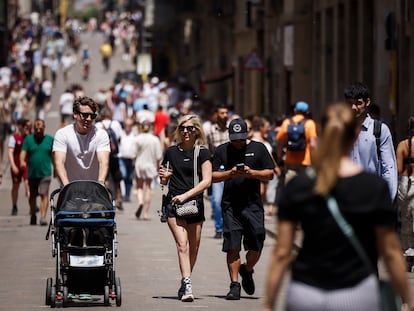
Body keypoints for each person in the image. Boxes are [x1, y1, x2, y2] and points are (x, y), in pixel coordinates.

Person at [263, 102, 412, 311]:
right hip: (357, 292)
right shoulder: (373, 188)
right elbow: (390, 252)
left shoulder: (300, 186)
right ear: (355, 135)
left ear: (322, 134)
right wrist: (407, 300)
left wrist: (268, 304)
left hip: (306, 292)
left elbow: (282, 253)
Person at [211, 118, 274, 300]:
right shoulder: (222, 150)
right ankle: (234, 285)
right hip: (230, 205)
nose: (238, 142)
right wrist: (229, 173)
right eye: (234, 139)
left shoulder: (259, 148)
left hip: (253, 205)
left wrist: (252, 173)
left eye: (241, 138)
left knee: (257, 242)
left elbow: (270, 173)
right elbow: (212, 176)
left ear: (247, 135)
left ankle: (247, 269)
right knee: (232, 245)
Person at [158, 114, 212, 302]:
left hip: (194, 204)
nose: (186, 131)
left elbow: (207, 181)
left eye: (190, 128)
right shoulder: (171, 152)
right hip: (173, 203)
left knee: (194, 247)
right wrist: (164, 178)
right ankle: (188, 284)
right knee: (182, 245)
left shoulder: (202, 152)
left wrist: (186, 195)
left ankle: (184, 278)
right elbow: (163, 179)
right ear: (178, 131)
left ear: (197, 130)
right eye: (183, 128)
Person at [344, 82, 398, 200]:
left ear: (367, 102)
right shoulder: (340, 130)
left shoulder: (380, 130)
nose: (353, 108)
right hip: (345, 197)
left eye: (358, 103)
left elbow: (389, 168)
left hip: (372, 197)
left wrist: (388, 200)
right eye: (350, 104)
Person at [53, 96, 110, 186]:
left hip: (94, 188)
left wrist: (101, 183)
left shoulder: (101, 134)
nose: (89, 119)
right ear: (75, 114)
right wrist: (66, 185)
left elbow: (104, 162)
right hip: (71, 187)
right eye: (85, 115)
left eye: (92, 116)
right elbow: (59, 162)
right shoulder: (62, 134)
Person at [20, 119, 54, 226]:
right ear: (33, 129)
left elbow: (54, 156)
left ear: (44, 128)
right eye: (36, 128)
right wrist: (21, 161)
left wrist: (57, 169)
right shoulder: (29, 140)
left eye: (40, 128)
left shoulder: (50, 140)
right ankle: (33, 214)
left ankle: (43, 217)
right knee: (33, 196)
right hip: (32, 173)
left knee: (44, 194)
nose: (38, 130)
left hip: (45, 173)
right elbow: (23, 153)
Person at [276, 101, 318, 184]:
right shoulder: (310, 123)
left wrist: (279, 157)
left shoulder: (287, 122)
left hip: (290, 162)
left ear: (295, 110)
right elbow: (313, 144)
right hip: (306, 162)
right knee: (306, 188)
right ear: (307, 112)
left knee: (289, 188)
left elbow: (280, 142)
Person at [205, 103, 229, 239]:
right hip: (217, 171)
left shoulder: (231, 131)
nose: (224, 115)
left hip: (231, 170)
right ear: (216, 115)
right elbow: (206, 153)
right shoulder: (210, 132)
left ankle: (229, 227)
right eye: (222, 113)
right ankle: (219, 228)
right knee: (217, 201)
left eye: (226, 113)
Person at [133, 120, 162, 220]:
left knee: (139, 187)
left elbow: (133, 154)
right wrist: (158, 168)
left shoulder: (137, 139)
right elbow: (158, 156)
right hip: (150, 165)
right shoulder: (155, 139)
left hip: (139, 164)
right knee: (148, 187)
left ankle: (140, 201)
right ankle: (145, 213)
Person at [396, 116, 414, 253]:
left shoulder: (402, 145)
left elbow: (398, 168)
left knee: (406, 220)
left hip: (405, 183)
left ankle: (409, 252)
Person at [8, 118, 31, 215]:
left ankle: (32, 206)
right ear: (20, 127)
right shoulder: (14, 138)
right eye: (24, 126)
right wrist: (13, 165)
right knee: (16, 186)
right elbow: (10, 152)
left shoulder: (29, 137)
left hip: (26, 165)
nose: (26, 128)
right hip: (16, 165)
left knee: (27, 184)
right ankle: (14, 206)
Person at [118, 118, 136, 202]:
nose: (128, 127)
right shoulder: (120, 134)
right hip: (122, 158)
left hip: (131, 159)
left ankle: (127, 196)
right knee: (123, 176)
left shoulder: (134, 135)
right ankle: (121, 194)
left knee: (129, 178)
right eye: (127, 125)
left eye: (130, 125)